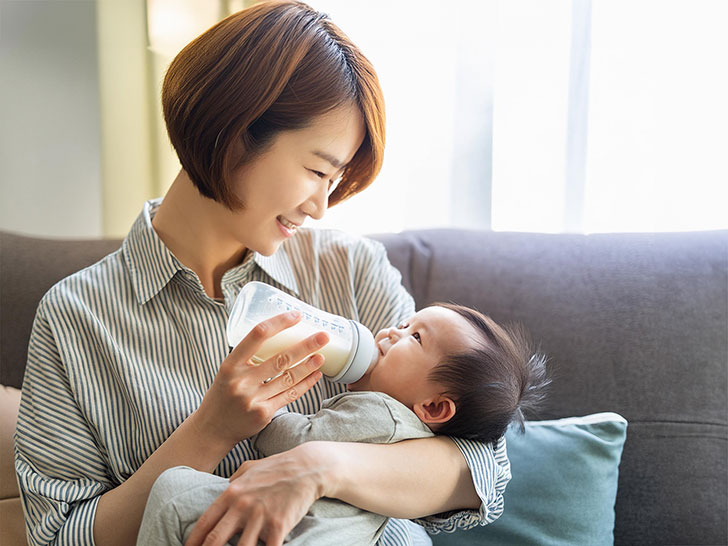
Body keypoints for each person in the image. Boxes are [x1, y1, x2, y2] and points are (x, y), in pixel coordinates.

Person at [15, 2, 511, 545]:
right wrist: (211, 431)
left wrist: (319, 466)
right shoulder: (77, 318)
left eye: (336, 178)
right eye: (317, 170)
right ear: (236, 131)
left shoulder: (348, 270)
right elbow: (57, 536)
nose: (322, 205)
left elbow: (478, 464)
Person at [135, 303, 549, 545]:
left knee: (174, 490)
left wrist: (265, 412)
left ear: (436, 409)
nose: (389, 332)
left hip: (308, 534)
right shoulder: (404, 429)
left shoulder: (381, 413)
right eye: (405, 323)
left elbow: (298, 439)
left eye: (415, 338)